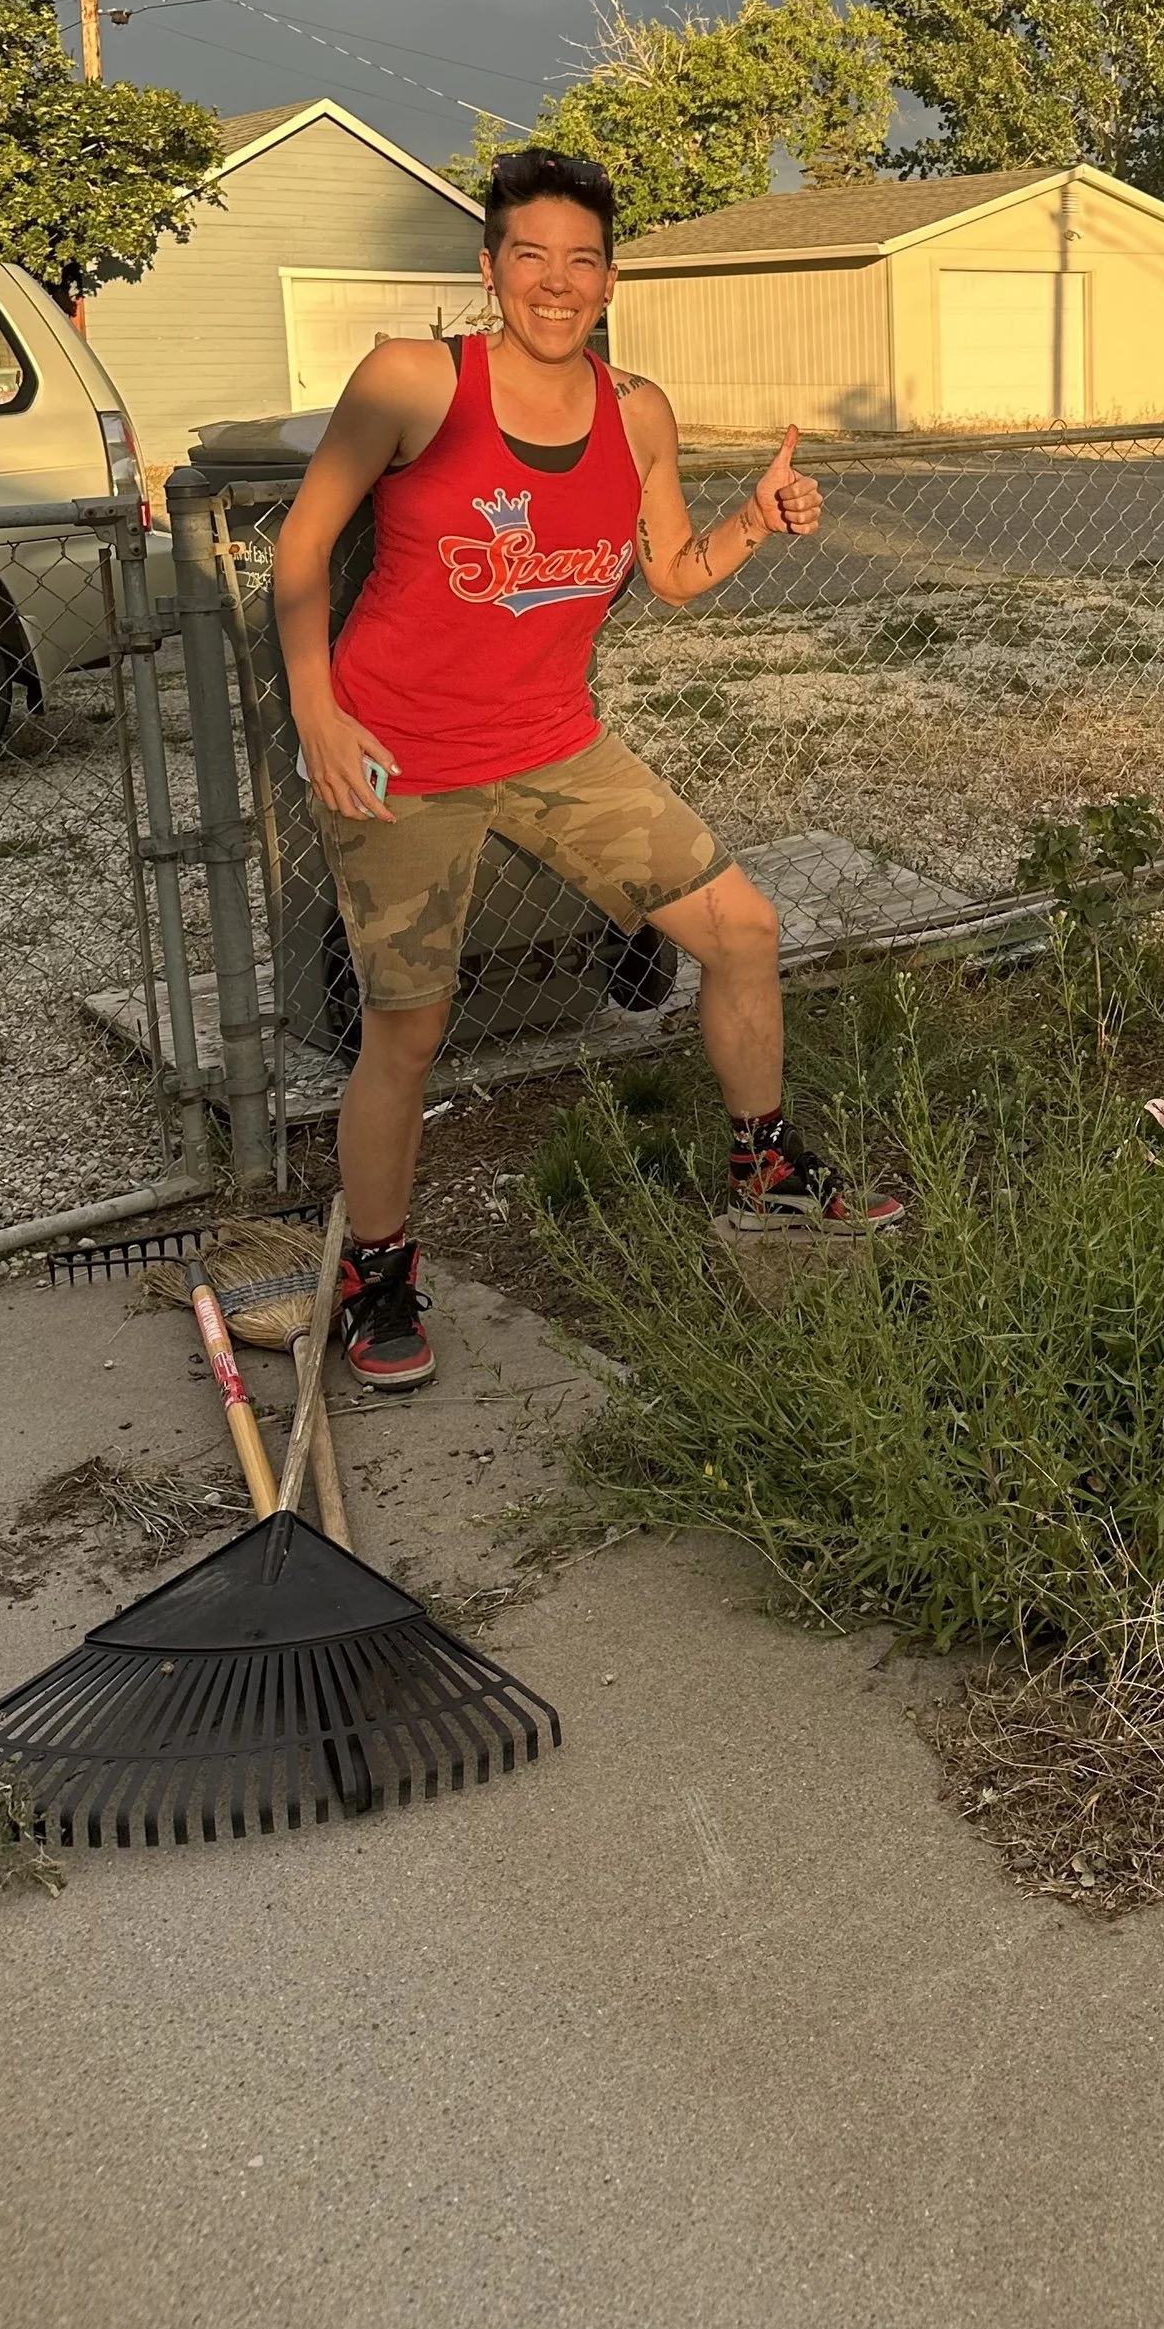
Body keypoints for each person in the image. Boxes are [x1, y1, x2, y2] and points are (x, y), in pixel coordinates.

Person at [272, 142, 899, 1392]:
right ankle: (377, 1271)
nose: (556, 283)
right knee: (408, 1032)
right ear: (491, 267)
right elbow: (302, 551)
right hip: (403, 757)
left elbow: (670, 573)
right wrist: (318, 715)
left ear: (610, 278)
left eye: (583, 261)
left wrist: (755, 524)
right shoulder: (412, 381)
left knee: (743, 930)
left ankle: (766, 1172)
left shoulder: (636, 410)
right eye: (531, 257)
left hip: (555, 743)